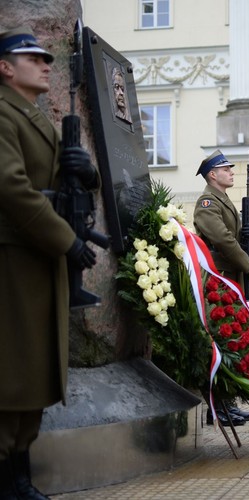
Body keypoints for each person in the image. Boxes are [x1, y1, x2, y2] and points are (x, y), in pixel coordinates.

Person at [0, 27, 101, 499]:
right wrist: (67, 242)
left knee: (36, 369)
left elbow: (67, 180)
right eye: (34, 57)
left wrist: (87, 171)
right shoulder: (3, 115)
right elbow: (13, 191)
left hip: (37, 260)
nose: (46, 64)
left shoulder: (33, 116)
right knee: (13, 371)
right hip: (14, 260)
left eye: (47, 58)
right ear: (5, 67)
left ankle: (21, 475)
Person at [194, 149, 249, 296]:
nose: (232, 173)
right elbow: (222, 238)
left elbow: (232, 236)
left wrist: (248, 233)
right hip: (219, 275)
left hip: (230, 272)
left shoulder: (222, 200)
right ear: (213, 174)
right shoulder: (207, 202)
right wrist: (247, 264)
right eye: (226, 169)